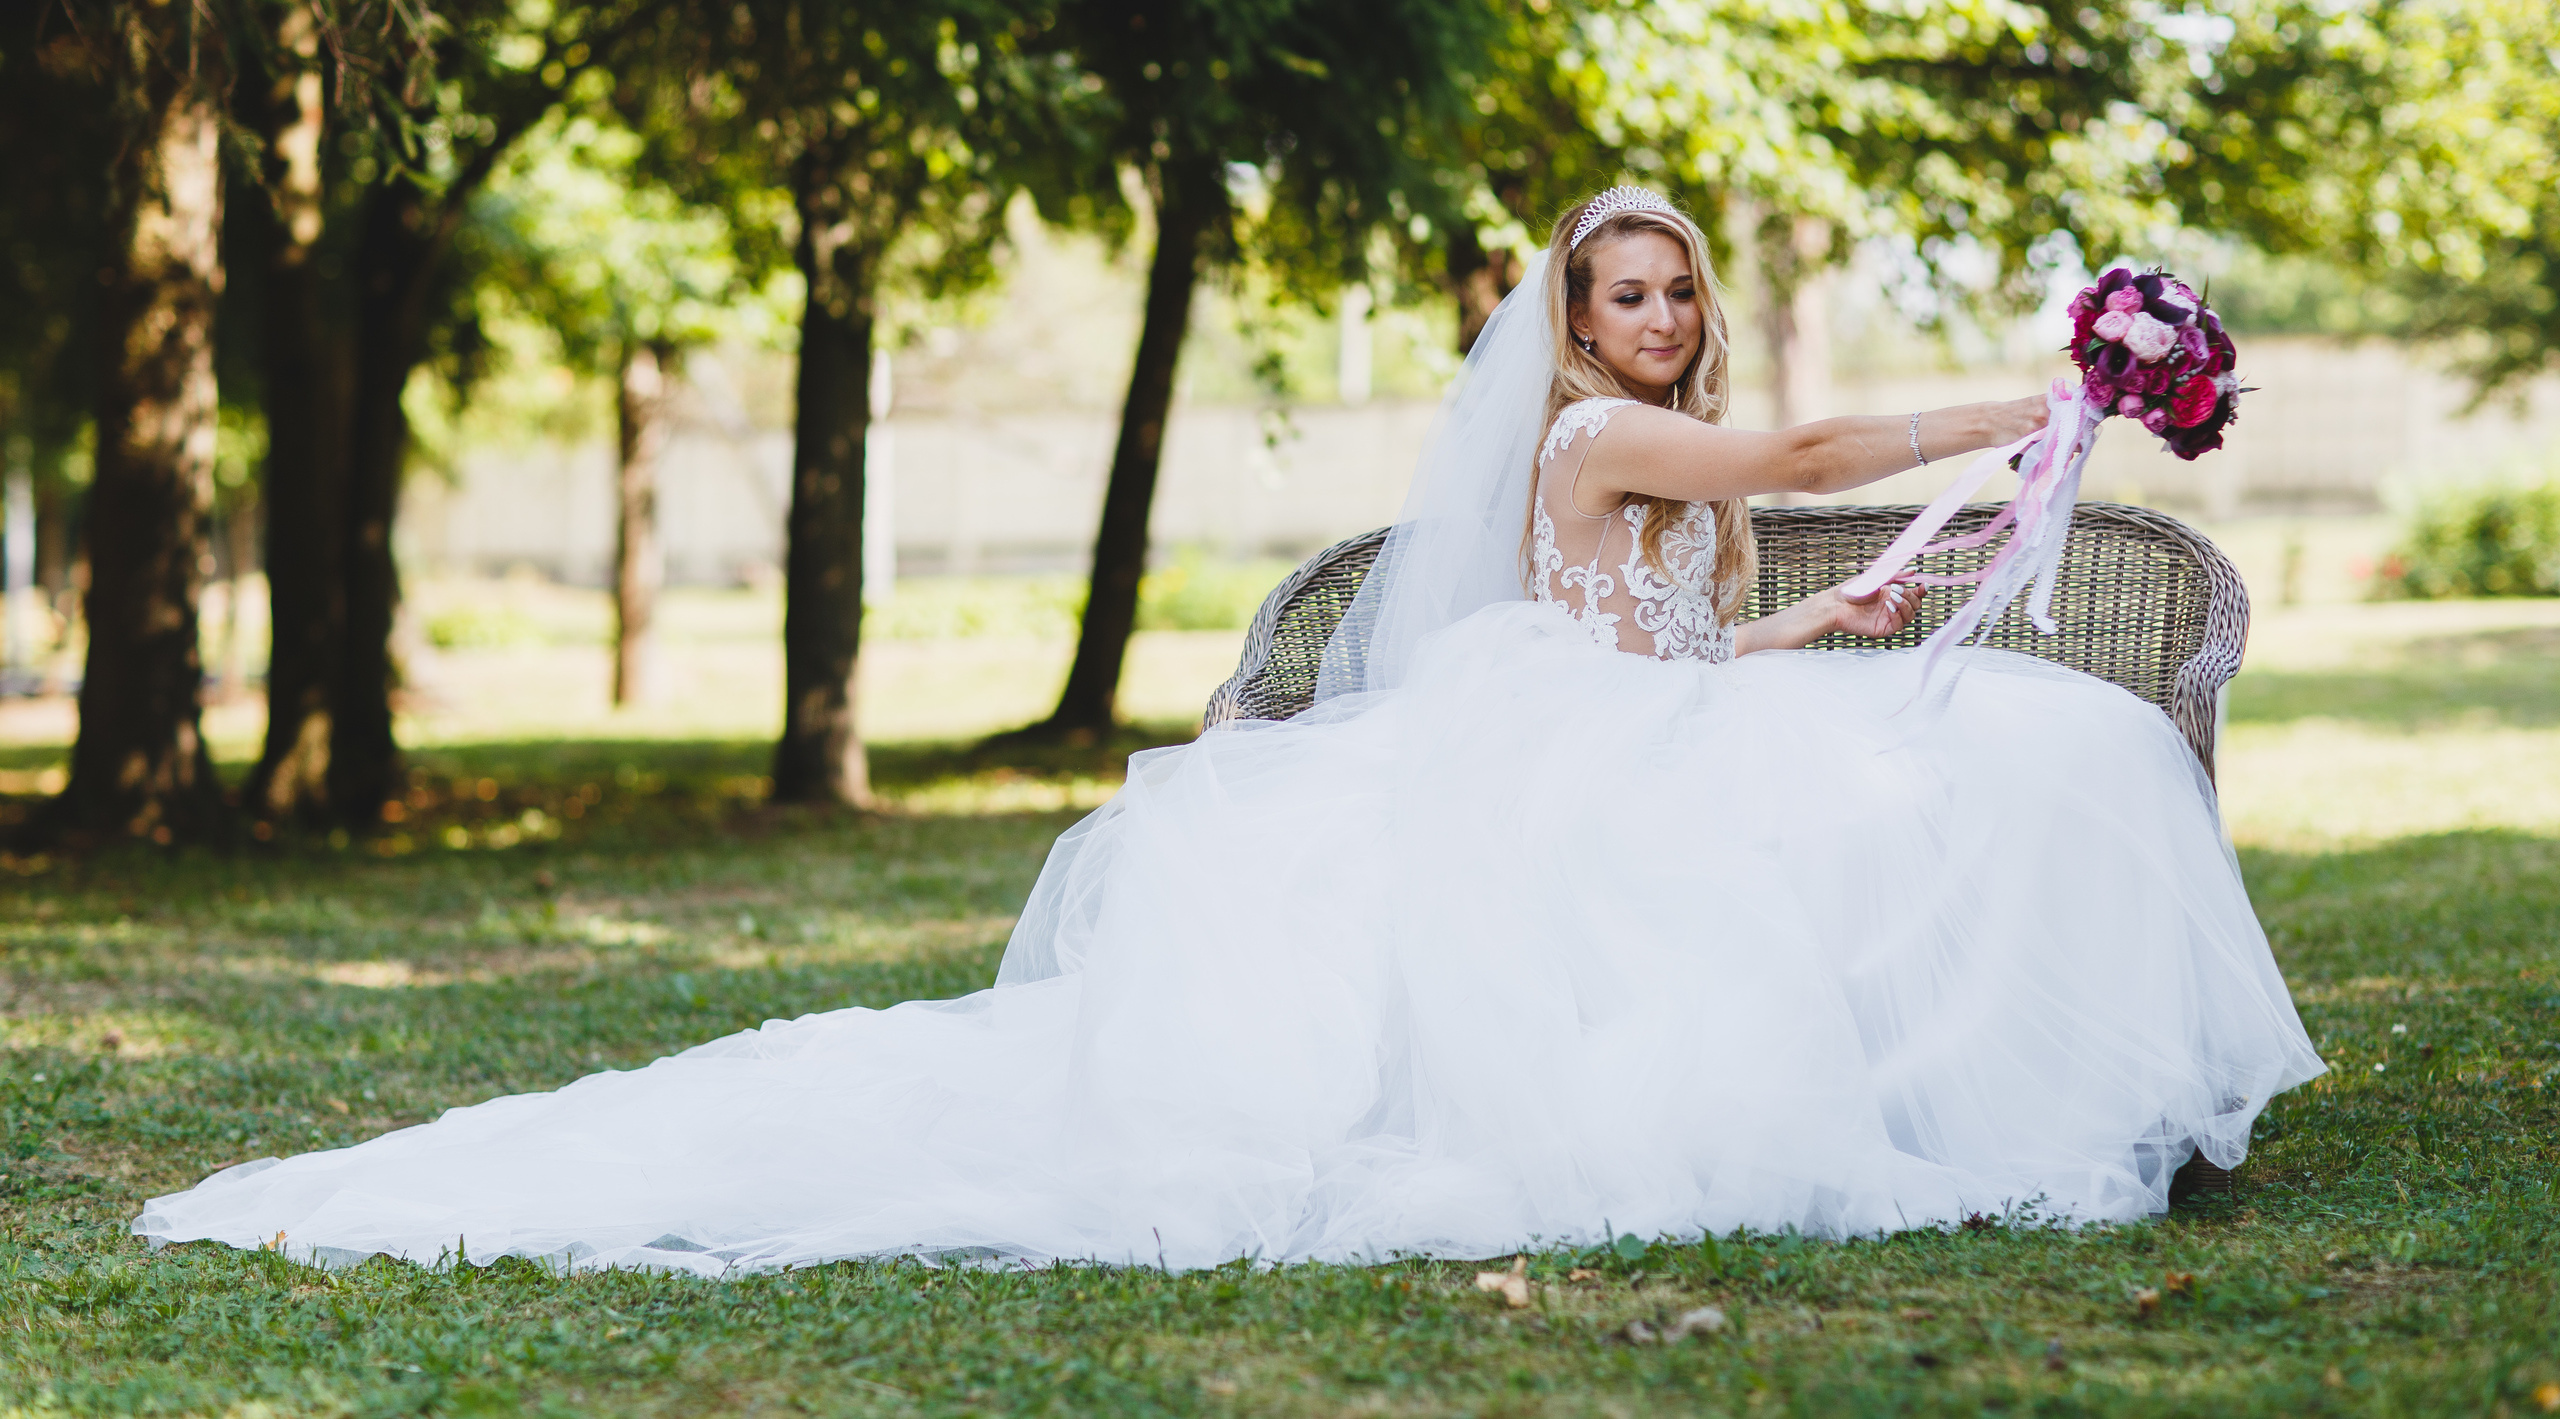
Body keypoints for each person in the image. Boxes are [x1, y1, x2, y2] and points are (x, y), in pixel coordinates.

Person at [137, 187, 2322, 1277]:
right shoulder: (1592, 437)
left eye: (1675, 291)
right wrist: (2046, 401)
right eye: (1623, 292)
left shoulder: (1636, 453)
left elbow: (1666, 646)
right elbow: (1819, 447)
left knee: (2008, 752)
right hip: (1553, 750)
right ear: (1569, 323)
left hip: (1615, 723)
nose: (1657, 316)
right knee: (2011, 765)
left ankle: (1970, 1076)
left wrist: (1803, 627)